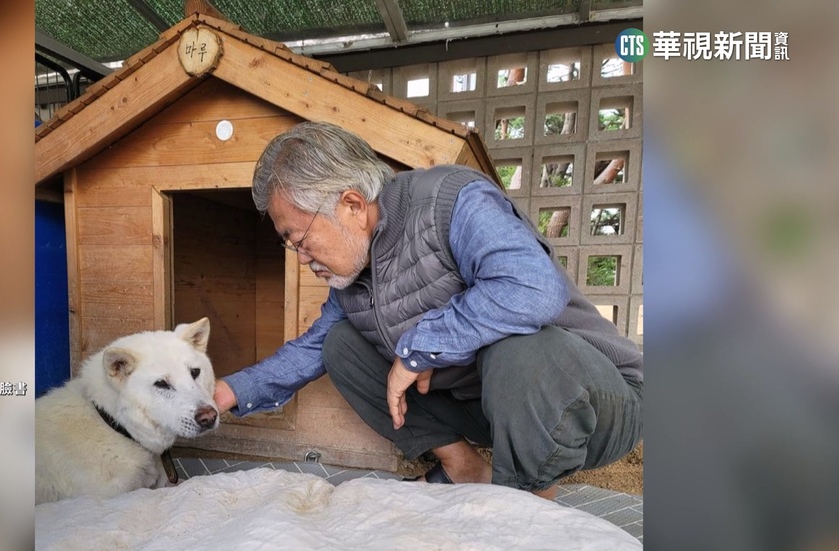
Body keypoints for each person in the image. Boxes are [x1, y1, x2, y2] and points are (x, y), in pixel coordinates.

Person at [213, 121, 643, 499]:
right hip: (493, 411)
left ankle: (529, 502)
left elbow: (532, 287)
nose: (302, 257)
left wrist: (418, 349)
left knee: (518, 349)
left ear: (352, 205)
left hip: (595, 403)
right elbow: (309, 351)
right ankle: (464, 468)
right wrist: (229, 391)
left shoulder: (451, 201)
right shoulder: (352, 278)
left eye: (300, 239)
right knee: (340, 345)